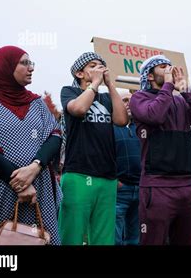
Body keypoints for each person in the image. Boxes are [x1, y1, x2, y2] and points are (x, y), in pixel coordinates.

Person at [0, 46, 62, 245]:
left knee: (38, 239)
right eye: (24, 63)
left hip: (37, 190)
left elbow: (55, 136)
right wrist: (18, 181)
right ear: (6, 66)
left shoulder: (36, 103)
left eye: (30, 63)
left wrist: (35, 167)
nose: (30, 68)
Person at [130, 55, 191, 245]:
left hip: (187, 185)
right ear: (149, 76)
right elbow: (155, 116)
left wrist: (186, 90)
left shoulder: (180, 100)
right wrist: (167, 86)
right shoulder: (139, 98)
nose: (169, 69)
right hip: (157, 186)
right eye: (163, 66)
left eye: (170, 66)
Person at [59, 52, 128, 245]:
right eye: (93, 65)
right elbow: (78, 109)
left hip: (107, 176)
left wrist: (110, 84)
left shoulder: (106, 97)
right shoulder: (69, 92)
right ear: (80, 73)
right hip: (78, 175)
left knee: (103, 238)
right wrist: (95, 84)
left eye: (102, 66)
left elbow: (122, 120)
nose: (99, 68)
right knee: (72, 235)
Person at [114, 92, 141, 245]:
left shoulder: (143, 128)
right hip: (119, 190)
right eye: (124, 100)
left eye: (132, 100)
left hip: (140, 189)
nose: (129, 104)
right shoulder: (111, 127)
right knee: (115, 238)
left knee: (135, 238)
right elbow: (105, 155)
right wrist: (114, 180)